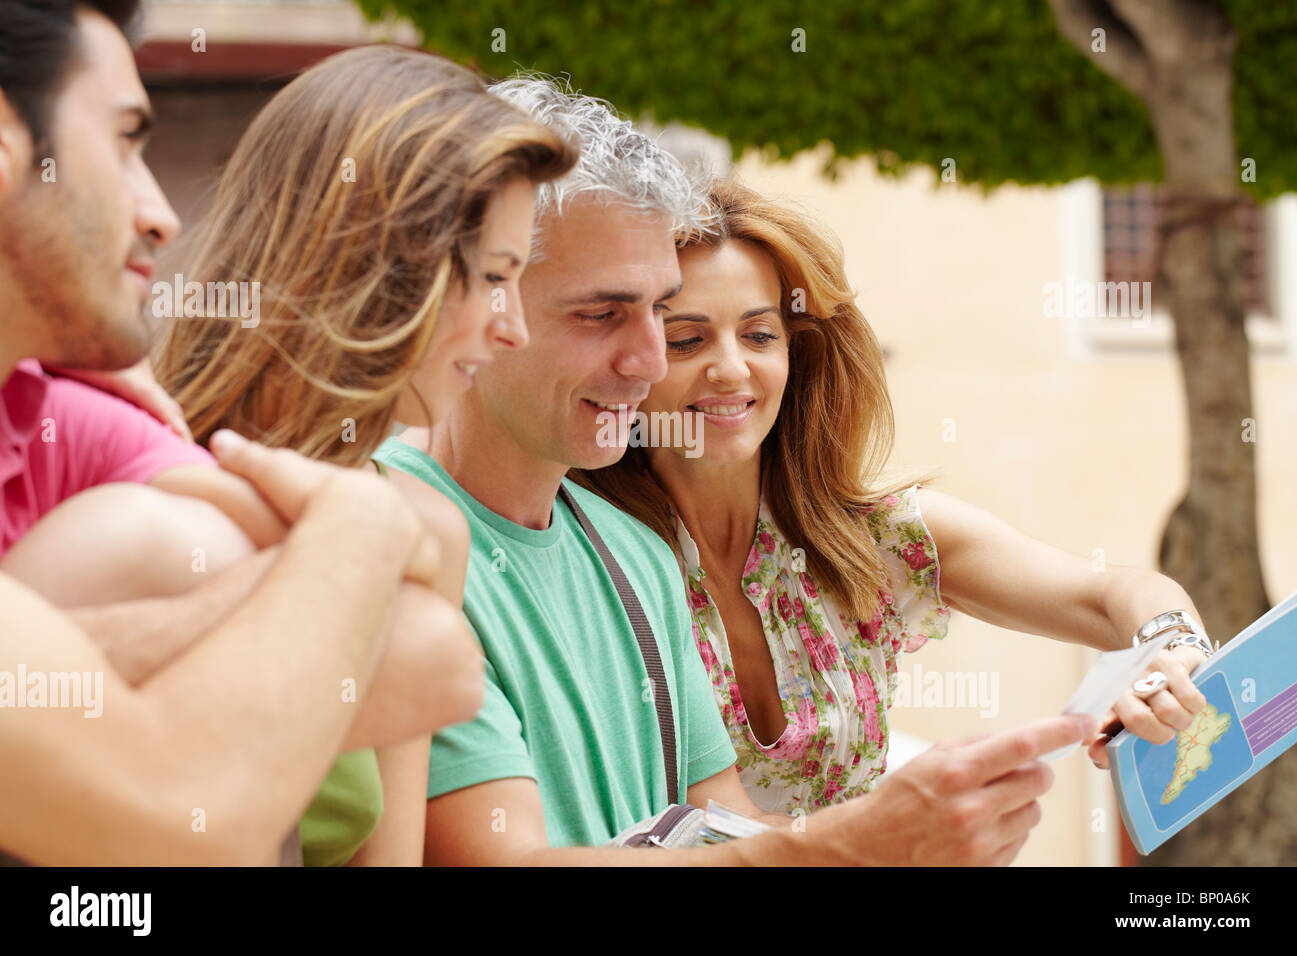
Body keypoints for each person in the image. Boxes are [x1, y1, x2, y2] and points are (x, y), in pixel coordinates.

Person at [374, 74, 1097, 865]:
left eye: (658, 313)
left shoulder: (635, 557)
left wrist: (910, 840)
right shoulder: (384, 536)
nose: (650, 361)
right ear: (473, 299)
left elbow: (718, 823)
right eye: (602, 313)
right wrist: (856, 843)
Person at [570, 178, 1213, 815]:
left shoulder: (871, 536)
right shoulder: (580, 556)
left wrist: (1175, 649)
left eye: (760, 335)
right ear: (634, 359)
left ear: (798, 353)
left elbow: (1108, 595)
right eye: (687, 339)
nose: (732, 369)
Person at [0, 1, 474, 864]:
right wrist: (350, 534)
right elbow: (183, 812)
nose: (160, 214)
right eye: (124, 141)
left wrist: (77, 661)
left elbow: (432, 655)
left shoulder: (65, 411)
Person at [150, 44, 578, 864]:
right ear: (378, 267)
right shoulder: (151, 500)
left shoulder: (424, 533)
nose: (514, 327)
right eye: (494, 275)